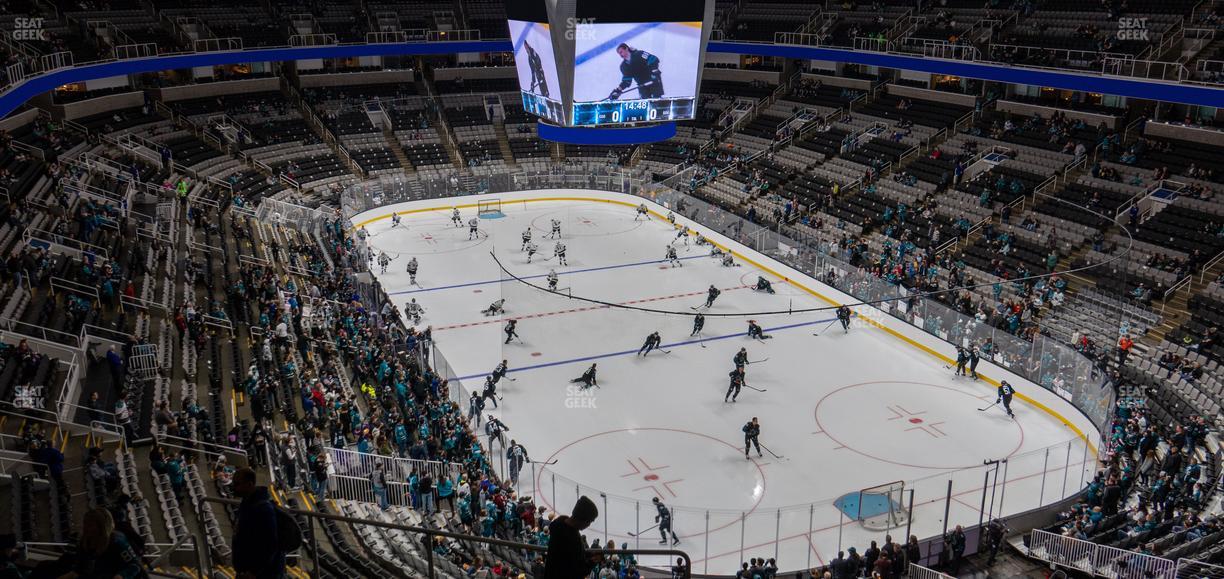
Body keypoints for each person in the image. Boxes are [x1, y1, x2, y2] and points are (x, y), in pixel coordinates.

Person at [232, 467, 286, 579]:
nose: (234, 487)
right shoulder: (247, 503)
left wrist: (254, 572)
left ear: (249, 484)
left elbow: (270, 545)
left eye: (237, 484)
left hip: (260, 574)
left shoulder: (264, 509)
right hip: (247, 570)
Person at [62, 508, 147, 579]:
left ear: (101, 528)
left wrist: (121, 576)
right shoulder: (84, 541)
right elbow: (78, 570)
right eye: (85, 524)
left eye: (90, 525)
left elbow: (135, 565)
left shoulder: (117, 542)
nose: (85, 528)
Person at [543, 496, 601, 579]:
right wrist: (593, 561)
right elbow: (578, 571)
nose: (589, 525)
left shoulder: (559, 524)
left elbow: (571, 557)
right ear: (583, 519)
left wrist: (588, 554)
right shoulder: (572, 539)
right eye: (590, 522)